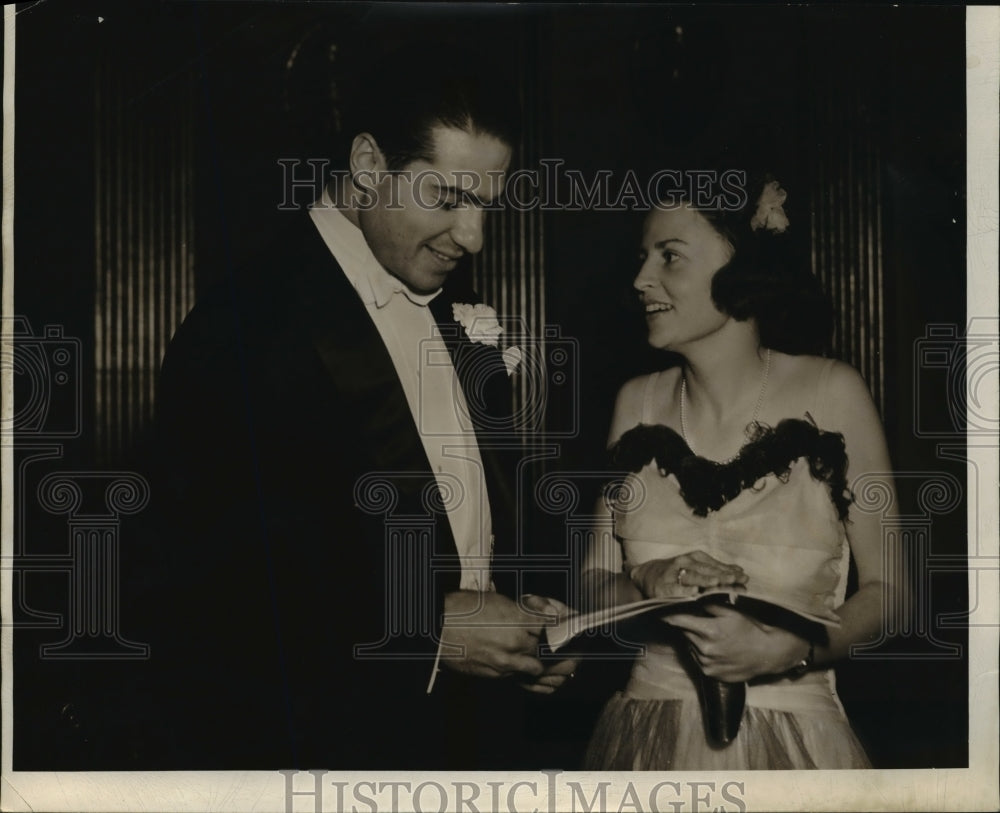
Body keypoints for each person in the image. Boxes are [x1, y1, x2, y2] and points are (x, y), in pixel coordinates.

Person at [142, 44, 575, 770]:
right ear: (369, 162)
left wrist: (529, 629)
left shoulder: (453, 310)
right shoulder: (243, 325)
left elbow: (467, 520)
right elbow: (209, 590)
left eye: (485, 206)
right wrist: (426, 628)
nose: (473, 238)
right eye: (448, 198)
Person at [580, 169, 899, 769]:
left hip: (797, 741)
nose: (641, 279)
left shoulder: (834, 392)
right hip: (645, 738)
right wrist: (649, 582)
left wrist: (792, 650)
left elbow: (892, 593)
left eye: (669, 256)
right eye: (642, 256)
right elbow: (593, 584)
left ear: (742, 265)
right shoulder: (635, 401)